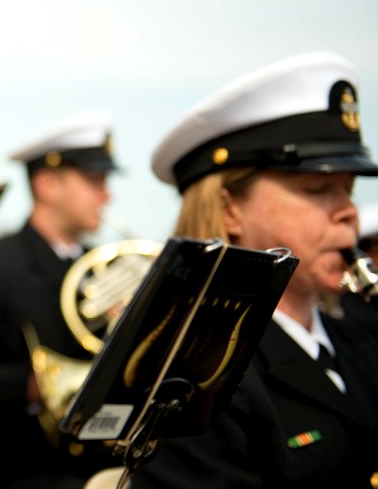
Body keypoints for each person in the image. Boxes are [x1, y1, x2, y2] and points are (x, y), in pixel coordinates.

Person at [130, 51, 378, 488]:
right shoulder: (194, 381)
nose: (348, 212)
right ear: (230, 212)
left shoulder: (363, 329)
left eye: (349, 190)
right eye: (318, 188)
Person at [0, 111, 121, 489]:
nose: (107, 194)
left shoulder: (100, 269)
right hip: (20, 475)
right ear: (48, 184)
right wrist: (37, 386)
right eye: (94, 180)